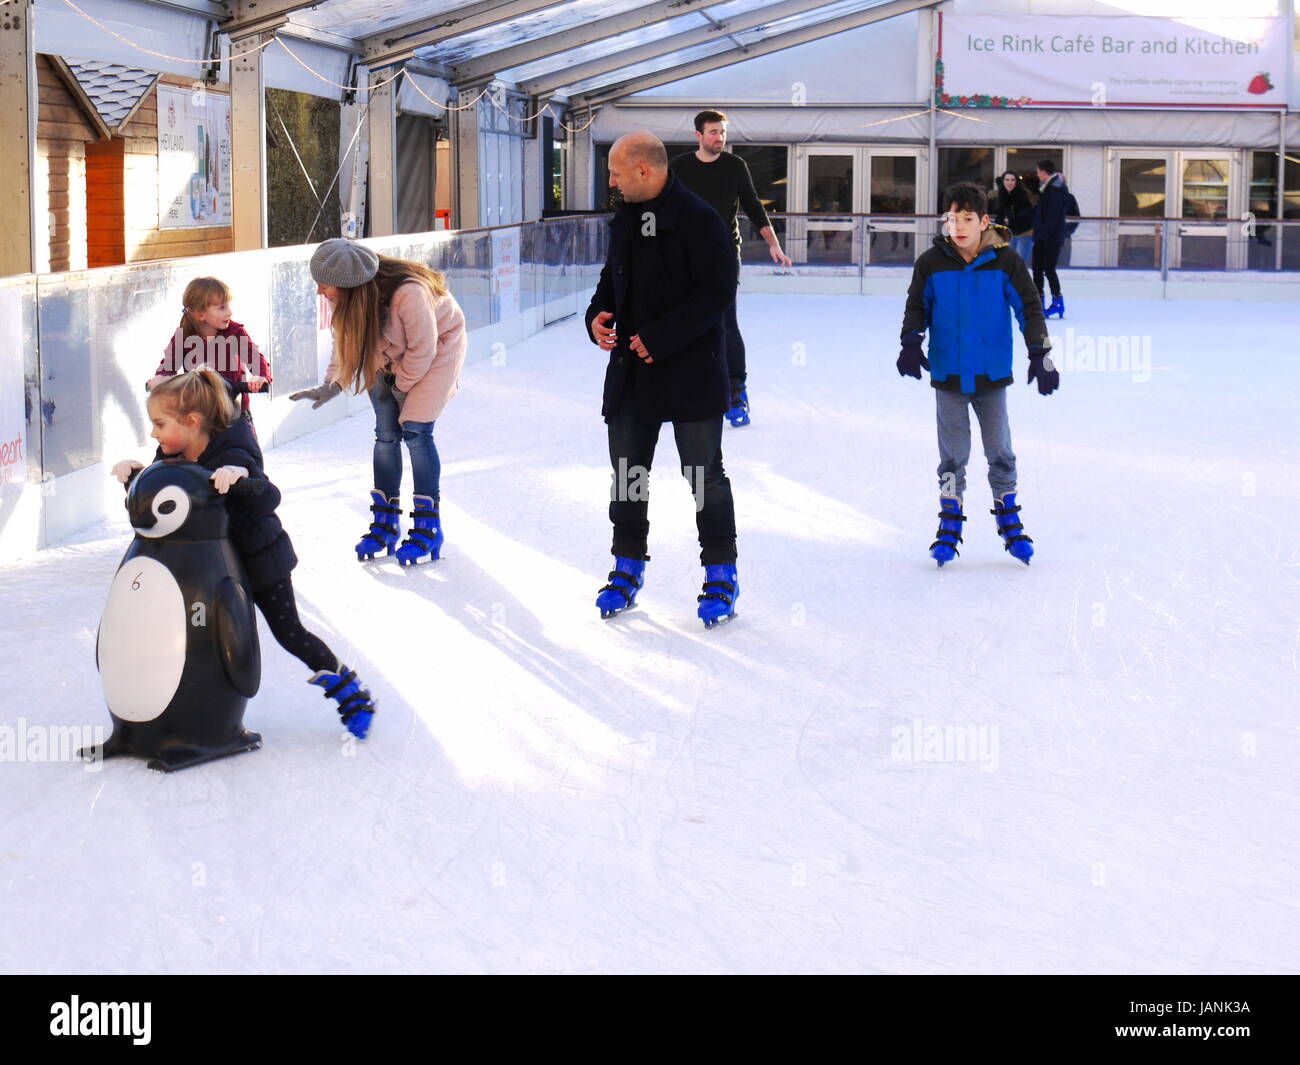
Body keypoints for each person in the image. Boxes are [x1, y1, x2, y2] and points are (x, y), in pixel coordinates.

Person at [111, 369, 377, 738]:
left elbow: (270, 497)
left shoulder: (234, 449)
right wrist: (134, 479)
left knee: (288, 632)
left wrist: (242, 480)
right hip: (209, 569)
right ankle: (191, 710)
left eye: (159, 424)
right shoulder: (170, 451)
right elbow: (160, 508)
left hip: (257, 560)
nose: (154, 434)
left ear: (191, 422)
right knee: (196, 636)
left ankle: (350, 691)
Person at [586, 131, 742, 627]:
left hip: (691, 375)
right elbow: (612, 278)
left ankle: (721, 571)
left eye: (615, 173)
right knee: (629, 475)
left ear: (644, 171)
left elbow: (718, 292)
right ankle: (627, 564)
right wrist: (598, 313)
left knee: (703, 477)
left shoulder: (700, 220)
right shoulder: (625, 218)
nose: (610, 182)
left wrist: (662, 337)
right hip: (634, 377)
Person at [897, 181, 1059, 567]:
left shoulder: (1005, 262)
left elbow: (1030, 308)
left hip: (990, 376)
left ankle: (1008, 515)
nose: (960, 226)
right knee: (952, 458)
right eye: (953, 218)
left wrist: (1041, 354)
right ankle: (950, 519)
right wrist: (910, 341)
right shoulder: (931, 263)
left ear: (984, 221)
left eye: (968, 218)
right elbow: (916, 305)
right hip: (949, 375)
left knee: (1000, 452)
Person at [290, 239, 467, 566]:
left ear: (348, 284)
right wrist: (331, 385)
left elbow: (423, 349)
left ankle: (429, 527)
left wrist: (401, 386)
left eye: (323, 285)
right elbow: (344, 342)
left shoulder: (408, 294)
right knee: (386, 434)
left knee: (415, 430)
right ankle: (386, 521)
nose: (319, 292)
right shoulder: (350, 300)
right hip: (388, 356)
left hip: (438, 351)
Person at [669, 109, 792, 428]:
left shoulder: (735, 166)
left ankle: (736, 393)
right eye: (713, 132)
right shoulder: (680, 167)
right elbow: (665, 207)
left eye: (722, 132)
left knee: (725, 323)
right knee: (685, 323)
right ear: (698, 135)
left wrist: (773, 243)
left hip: (724, 256)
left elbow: (752, 205)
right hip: (686, 258)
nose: (719, 138)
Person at [147, 277, 271, 429]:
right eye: (221, 308)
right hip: (201, 412)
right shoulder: (184, 335)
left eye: (228, 306)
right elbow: (169, 364)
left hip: (233, 410)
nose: (229, 312)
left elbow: (254, 357)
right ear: (200, 315)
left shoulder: (235, 332)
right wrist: (162, 378)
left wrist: (260, 376)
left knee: (244, 447)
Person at [1031, 160, 1074, 319]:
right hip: (1047, 236)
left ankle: (1052, 302)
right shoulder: (1050, 189)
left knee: (1045, 269)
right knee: (1041, 269)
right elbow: (1040, 212)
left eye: (1038, 172)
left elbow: (1052, 216)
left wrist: (1043, 235)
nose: (1037, 175)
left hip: (1048, 238)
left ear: (1043, 172)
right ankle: (1045, 301)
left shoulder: (1054, 190)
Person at [992, 171, 1034, 264]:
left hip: (1025, 232)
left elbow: (1029, 213)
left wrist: (1016, 217)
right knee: (1009, 263)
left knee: (1020, 263)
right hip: (1011, 232)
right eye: (1007, 180)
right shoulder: (1003, 195)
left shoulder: (1022, 195)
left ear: (1016, 182)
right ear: (1003, 181)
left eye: (1012, 180)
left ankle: (1020, 278)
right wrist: (996, 229)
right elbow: (1000, 214)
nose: (1010, 182)